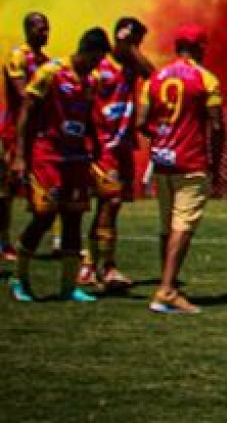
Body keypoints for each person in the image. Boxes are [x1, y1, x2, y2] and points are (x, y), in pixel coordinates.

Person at [7, 26, 108, 302]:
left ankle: (68, 286)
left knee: (74, 218)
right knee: (44, 216)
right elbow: (26, 110)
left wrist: (95, 146)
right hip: (47, 155)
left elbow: (88, 116)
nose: (97, 66)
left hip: (76, 157)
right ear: (86, 52)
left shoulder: (92, 79)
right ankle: (20, 279)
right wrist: (19, 156)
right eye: (96, 59)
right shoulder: (50, 72)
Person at [143, 23, 223, 314]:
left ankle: (168, 283)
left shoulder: (154, 78)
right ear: (199, 47)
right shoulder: (206, 79)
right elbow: (216, 125)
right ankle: (166, 290)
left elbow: (143, 121)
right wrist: (213, 162)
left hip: (162, 161)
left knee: (166, 227)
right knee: (183, 227)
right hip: (190, 161)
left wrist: (164, 137)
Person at [80, 15, 151, 293]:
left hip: (123, 145)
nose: (137, 48)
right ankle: (102, 266)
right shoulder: (100, 69)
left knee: (111, 205)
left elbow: (153, 76)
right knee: (110, 201)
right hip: (102, 146)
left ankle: (93, 264)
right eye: (134, 42)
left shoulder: (131, 68)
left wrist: (133, 51)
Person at [1, 10, 53, 265]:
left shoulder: (46, 60)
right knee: (6, 190)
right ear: (28, 29)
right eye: (39, 28)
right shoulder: (17, 56)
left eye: (46, 28)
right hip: (13, 130)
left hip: (39, 133)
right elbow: (23, 95)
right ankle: (3, 241)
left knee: (46, 185)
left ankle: (54, 240)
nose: (44, 33)